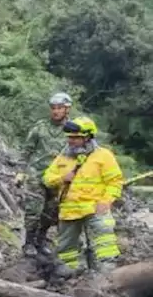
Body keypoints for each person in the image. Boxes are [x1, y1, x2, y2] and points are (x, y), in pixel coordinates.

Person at [43, 117, 124, 276]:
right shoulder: (63, 157)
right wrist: (61, 178)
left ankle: (108, 278)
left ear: (87, 137)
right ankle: (69, 278)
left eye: (75, 137)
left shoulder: (103, 156)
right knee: (67, 250)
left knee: (103, 245)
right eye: (69, 137)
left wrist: (106, 201)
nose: (71, 141)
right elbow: (46, 179)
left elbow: (115, 181)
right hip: (69, 211)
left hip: (95, 209)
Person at [22, 93, 74, 257]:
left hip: (59, 178)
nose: (55, 111)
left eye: (59, 108)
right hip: (36, 174)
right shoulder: (40, 128)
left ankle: (41, 240)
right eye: (53, 108)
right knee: (33, 210)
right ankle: (28, 243)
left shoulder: (72, 130)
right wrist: (20, 171)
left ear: (67, 109)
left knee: (51, 212)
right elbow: (26, 151)